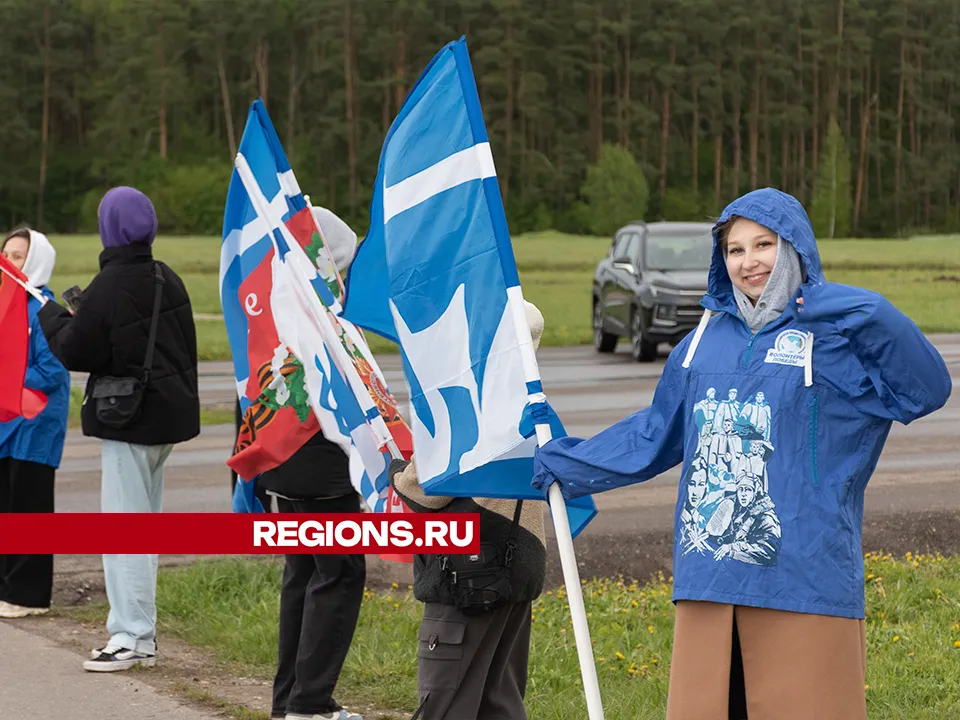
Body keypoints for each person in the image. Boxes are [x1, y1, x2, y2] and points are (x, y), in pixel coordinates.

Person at [532, 187, 951, 719]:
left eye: (764, 244)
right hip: (709, 586)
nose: (749, 262)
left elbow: (925, 390)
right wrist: (562, 461)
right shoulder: (701, 342)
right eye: (735, 249)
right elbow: (655, 435)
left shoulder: (839, 340)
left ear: (794, 247)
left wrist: (873, 314)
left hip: (804, 582)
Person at [38, 186, 200, 672]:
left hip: (128, 419)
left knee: (124, 532)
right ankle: (140, 635)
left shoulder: (109, 283)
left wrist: (51, 318)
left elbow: (76, 353)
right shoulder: (167, 277)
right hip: (167, 419)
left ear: (109, 228)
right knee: (142, 531)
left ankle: (130, 637)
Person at [388, 301, 548, 720]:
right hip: (519, 564)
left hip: (467, 569)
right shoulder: (533, 406)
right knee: (498, 698)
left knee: (446, 701)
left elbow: (429, 491)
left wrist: (395, 475)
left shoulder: (469, 402)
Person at [260, 205, 364, 720]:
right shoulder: (322, 315)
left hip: (280, 462)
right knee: (338, 575)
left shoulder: (276, 302)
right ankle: (311, 703)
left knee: (301, 574)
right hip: (322, 467)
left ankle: (288, 703)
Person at [0, 228, 70, 618]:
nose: (10, 262)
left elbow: (52, 371)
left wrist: (9, 378)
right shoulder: (1, 303)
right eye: (6, 254)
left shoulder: (47, 309)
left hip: (35, 425)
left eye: (19, 256)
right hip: (3, 423)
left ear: (37, 260)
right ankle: (5, 585)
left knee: (29, 507)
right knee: (5, 506)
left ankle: (27, 595)